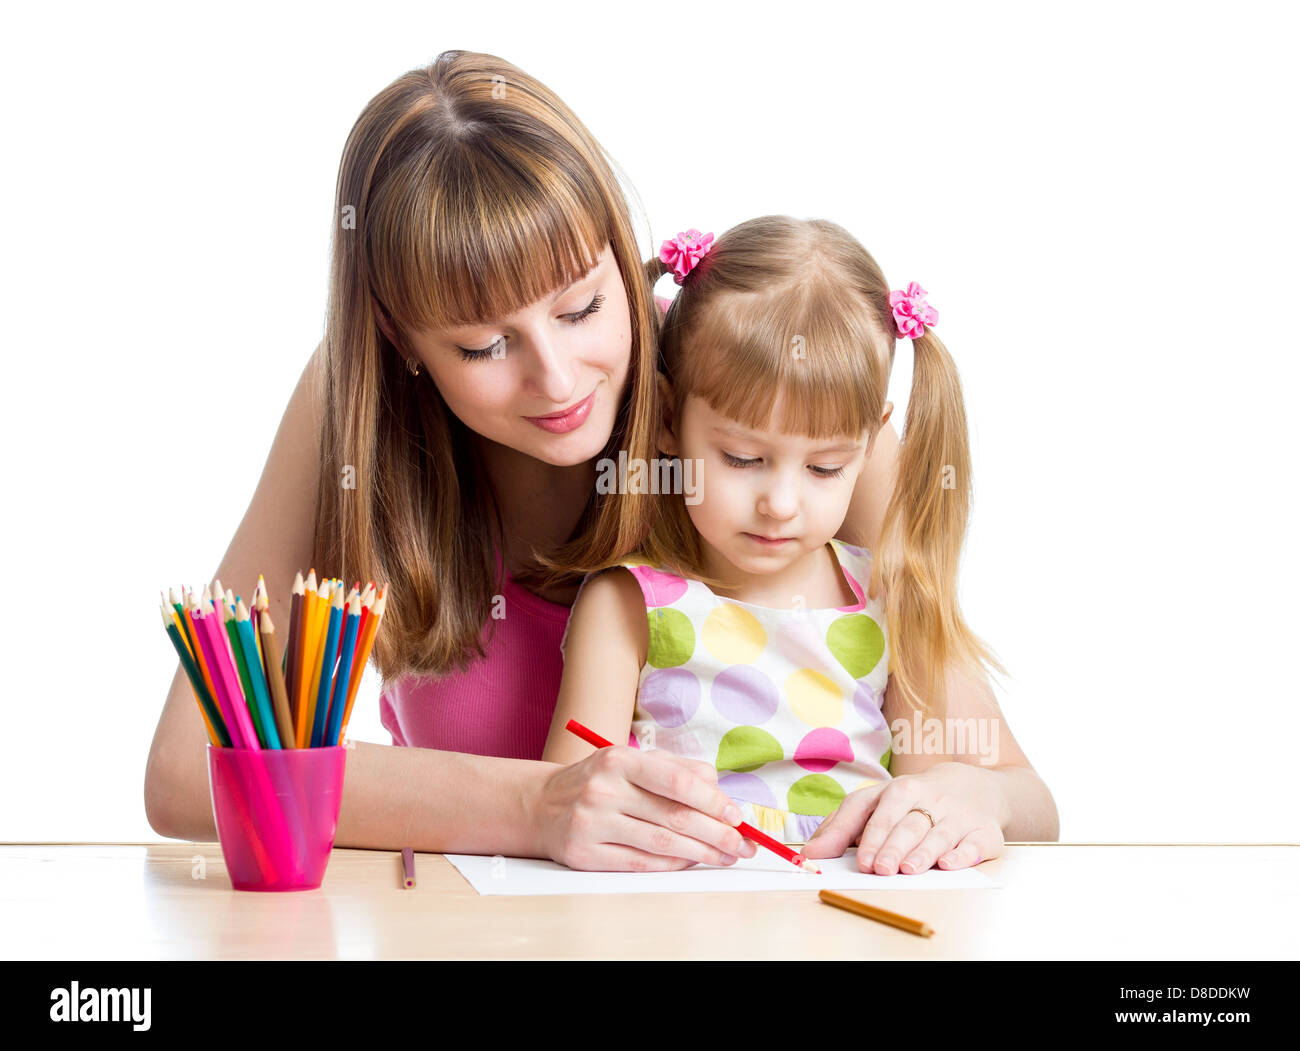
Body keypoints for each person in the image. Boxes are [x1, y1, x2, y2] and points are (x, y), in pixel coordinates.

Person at [142, 49, 904, 871]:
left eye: (583, 306)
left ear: (621, 253)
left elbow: (1003, 776)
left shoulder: (763, 397)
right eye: (483, 345)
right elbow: (189, 772)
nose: (557, 376)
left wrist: (963, 796)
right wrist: (533, 805)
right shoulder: (353, 412)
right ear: (401, 338)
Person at [542, 217, 1058, 873]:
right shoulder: (628, 602)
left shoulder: (887, 600)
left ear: (871, 446)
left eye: (824, 468)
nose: (781, 503)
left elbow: (1032, 808)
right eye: (742, 456)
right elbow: (568, 806)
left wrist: (963, 800)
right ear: (669, 419)